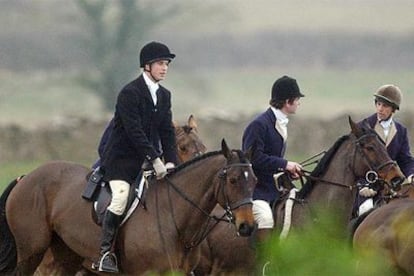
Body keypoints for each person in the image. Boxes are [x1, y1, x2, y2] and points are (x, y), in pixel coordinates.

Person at [93, 41, 178, 273]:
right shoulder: (129, 93)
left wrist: (171, 161)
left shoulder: (164, 95)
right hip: (121, 161)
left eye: (167, 64)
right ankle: (105, 253)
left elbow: (167, 132)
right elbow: (134, 132)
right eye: (161, 63)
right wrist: (155, 158)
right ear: (147, 66)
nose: (165, 68)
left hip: (148, 162)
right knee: (121, 198)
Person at [242, 75, 305, 244]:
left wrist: (287, 170)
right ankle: (264, 262)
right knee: (266, 219)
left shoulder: (279, 122)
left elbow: (272, 159)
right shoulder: (259, 125)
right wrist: (285, 164)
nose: (299, 102)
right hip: (256, 190)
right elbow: (254, 158)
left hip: (274, 188)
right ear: (287, 101)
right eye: (297, 99)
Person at [355, 84, 414, 216]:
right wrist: (361, 185)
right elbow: (353, 162)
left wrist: (411, 174)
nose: (380, 109)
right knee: (366, 210)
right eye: (378, 104)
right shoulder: (362, 127)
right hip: (365, 186)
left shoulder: (401, 131)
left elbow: (405, 160)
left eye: (385, 106)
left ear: (393, 110)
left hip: (389, 186)